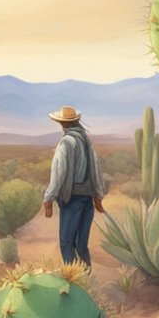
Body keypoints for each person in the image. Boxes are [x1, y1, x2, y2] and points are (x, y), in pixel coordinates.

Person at [42, 105, 107, 267]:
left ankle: (74, 281)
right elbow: (96, 170)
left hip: (72, 200)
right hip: (87, 200)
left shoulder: (66, 143)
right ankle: (87, 279)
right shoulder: (86, 141)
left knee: (66, 242)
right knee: (81, 244)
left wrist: (48, 198)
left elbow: (59, 173)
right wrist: (98, 196)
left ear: (62, 124)